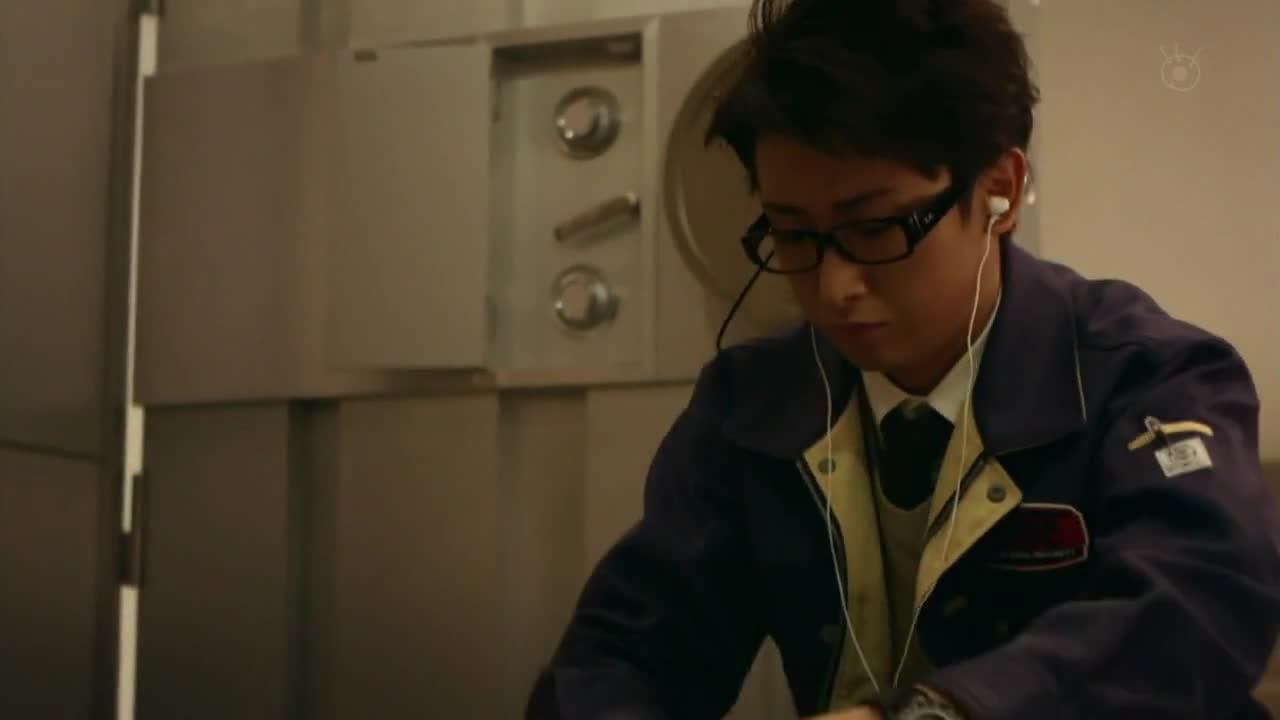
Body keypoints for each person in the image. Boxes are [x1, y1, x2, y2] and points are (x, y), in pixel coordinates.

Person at [526, 0, 1280, 718]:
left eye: (877, 228)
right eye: (794, 235)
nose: (833, 288)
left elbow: (1201, 601)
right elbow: (620, 656)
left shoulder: (1151, 376)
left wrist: (948, 713)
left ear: (1000, 190)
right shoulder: (752, 404)